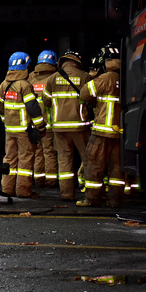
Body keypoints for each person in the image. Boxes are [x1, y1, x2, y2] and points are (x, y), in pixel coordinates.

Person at [77, 43, 125, 207]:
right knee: (117, 169)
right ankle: (115, 200)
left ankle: (93, 199)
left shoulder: (103, 79)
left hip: (101, 131)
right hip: (120, 132)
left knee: (94, 166)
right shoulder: (126, 79)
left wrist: (93, 75)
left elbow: (84, 94)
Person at [42, 50, 92, 201]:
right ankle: (90, 193)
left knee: (64, 160)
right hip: (80, 126)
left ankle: (67, 194)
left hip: (59, 127)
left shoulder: (52, 79)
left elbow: (46, 101)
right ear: (77, 62)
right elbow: (93, 100)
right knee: (88, 159)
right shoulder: (85, 77)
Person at [0, 52, 47, 198]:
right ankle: (24, 190)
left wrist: (5, 122)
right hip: (25, 130)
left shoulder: (3, 85)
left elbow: (1, 108)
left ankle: (7, 188)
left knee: (9, 158)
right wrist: (41, 127)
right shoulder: (25, 85)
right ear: (25, 66)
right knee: (25, 159)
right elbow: (32, 107)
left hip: (10, 130)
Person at [28, 50, 59, 188]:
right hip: (49, 123)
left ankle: (39, 180)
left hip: (34, 123)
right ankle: (51, 181)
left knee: (38, 152)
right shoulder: (55, 78)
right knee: (50, 153)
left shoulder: (31, 77)